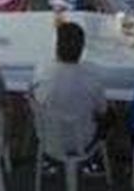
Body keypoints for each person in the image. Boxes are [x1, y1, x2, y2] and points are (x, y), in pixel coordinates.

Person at [31, 22, 108, 159]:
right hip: (84, 139)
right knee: (110, 117)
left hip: (49, 137)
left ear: (57, 47)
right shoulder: (92, 76)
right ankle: (97, 160)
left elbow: (34, 96)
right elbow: (102, 110)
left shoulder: (43, 71)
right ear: (82, 49)